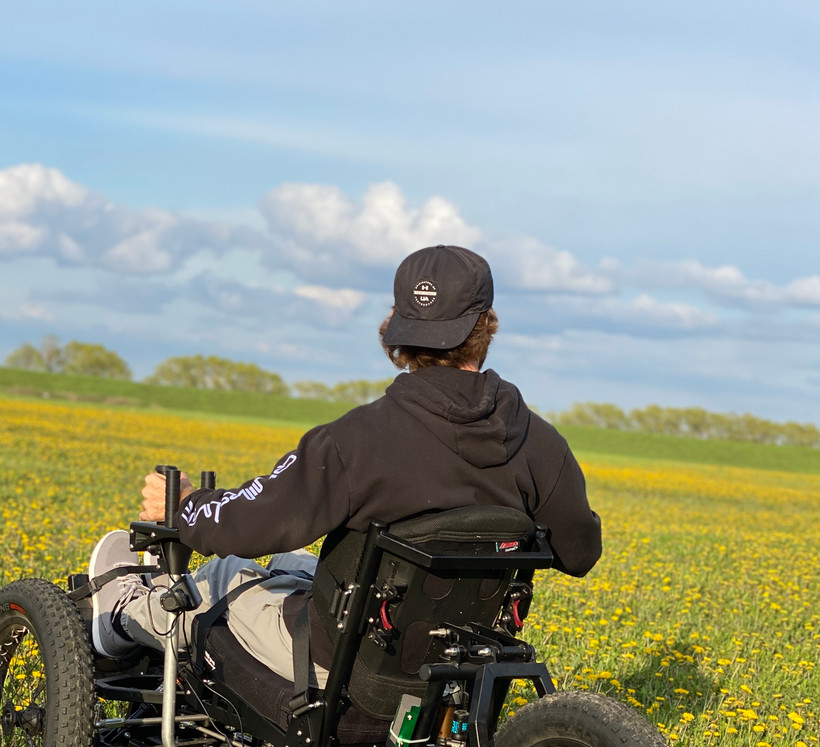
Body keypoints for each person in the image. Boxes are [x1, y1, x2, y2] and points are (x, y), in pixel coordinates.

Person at [89, 245, 602, 683]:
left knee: (226, 574)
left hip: (349, 669)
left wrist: (186, 507)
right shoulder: (541, 442)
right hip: (466, 666)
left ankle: (120, 615)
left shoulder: (356, 440)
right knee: (292, 567)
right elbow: (579, 552)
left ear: (401, 332)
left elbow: (254, 520)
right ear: (484, 327)